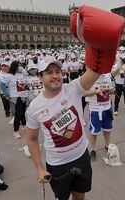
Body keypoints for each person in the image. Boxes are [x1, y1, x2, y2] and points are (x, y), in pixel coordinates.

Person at [26, 59, 100, 200]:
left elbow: (96, 71)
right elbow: (31, 139)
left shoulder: (73, 88)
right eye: (49, 72)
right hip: (57, 165)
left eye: (58, 71)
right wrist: (40, 169)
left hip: (81, 157)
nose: (55, 76)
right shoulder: (35, 107)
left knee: (79, 195)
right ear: (40, 77)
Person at [84, 73, 114, 161]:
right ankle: (92, 149)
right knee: (94, 131)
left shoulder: (108, 75)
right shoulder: (90, 77)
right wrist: (95, 91)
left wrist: (109, 90)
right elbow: (84, 93)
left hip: (107, 107)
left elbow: (111, 90)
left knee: (107, 128)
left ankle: (108, 145)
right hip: (95, 109)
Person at [0, 61, 28, 139]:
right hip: (16, 96)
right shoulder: (9, 76)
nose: (20, 67)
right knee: (18, 113)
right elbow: (2, 85)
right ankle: (16, 131)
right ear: (14, 66)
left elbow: (26, 84)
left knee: (23, 112)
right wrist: (7, 94)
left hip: (24, 95)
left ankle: (24, 125)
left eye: (21, 66)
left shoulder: (22, 75)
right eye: (18, 66)